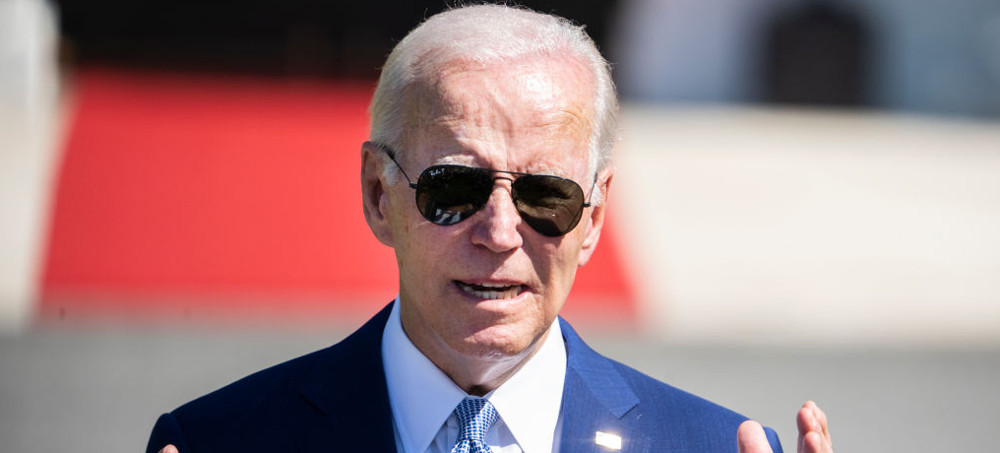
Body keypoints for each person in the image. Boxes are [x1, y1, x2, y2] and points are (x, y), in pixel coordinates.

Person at [148, 5, 833, 453]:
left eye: (546, 195)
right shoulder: (222, 441)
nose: (501, 232)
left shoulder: (714, 446)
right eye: (455, 189)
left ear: (594, 218)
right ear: (378, 194)